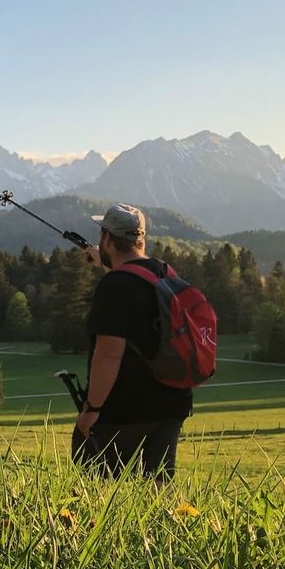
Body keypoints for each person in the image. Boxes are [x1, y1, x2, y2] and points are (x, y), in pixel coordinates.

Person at [72, 203, 193, 480]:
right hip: (172, 404)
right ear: (141, 239)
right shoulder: (165, 273)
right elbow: (137, 298)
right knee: (156, 490)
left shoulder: (114, 287)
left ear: (106, 239)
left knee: (96, 490)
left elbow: (109, 354)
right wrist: (107, 266)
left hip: (124, 410)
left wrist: (91, 411)